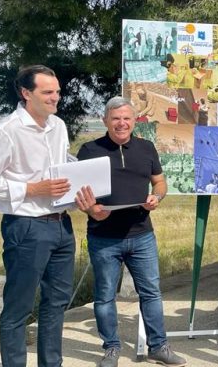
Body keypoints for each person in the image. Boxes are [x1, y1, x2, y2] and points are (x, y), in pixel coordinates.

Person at [0, 65, 75, 367]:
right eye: (48, 92)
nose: (56, 97)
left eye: (57, 91)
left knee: (56, 305)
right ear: (26, 93)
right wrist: (32, 188)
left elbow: (61, 167)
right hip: (26, 228)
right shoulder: (4, 132)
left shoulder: (59, 126)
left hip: (62, 226)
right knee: (19, 308)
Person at [74, 97, 187, 367]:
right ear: (105, 121)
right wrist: (92, 211)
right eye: (115, 118)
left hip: (142, 235)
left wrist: (157, 197)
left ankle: (159, 346)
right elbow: (79, 196)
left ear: (135, 121)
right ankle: (111, 349)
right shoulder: (89, 150)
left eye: (126, 118)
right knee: (104, 296)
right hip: (103, 237)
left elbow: (160, 183)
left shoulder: (147, 148)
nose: (121, 123)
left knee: (151, 293)